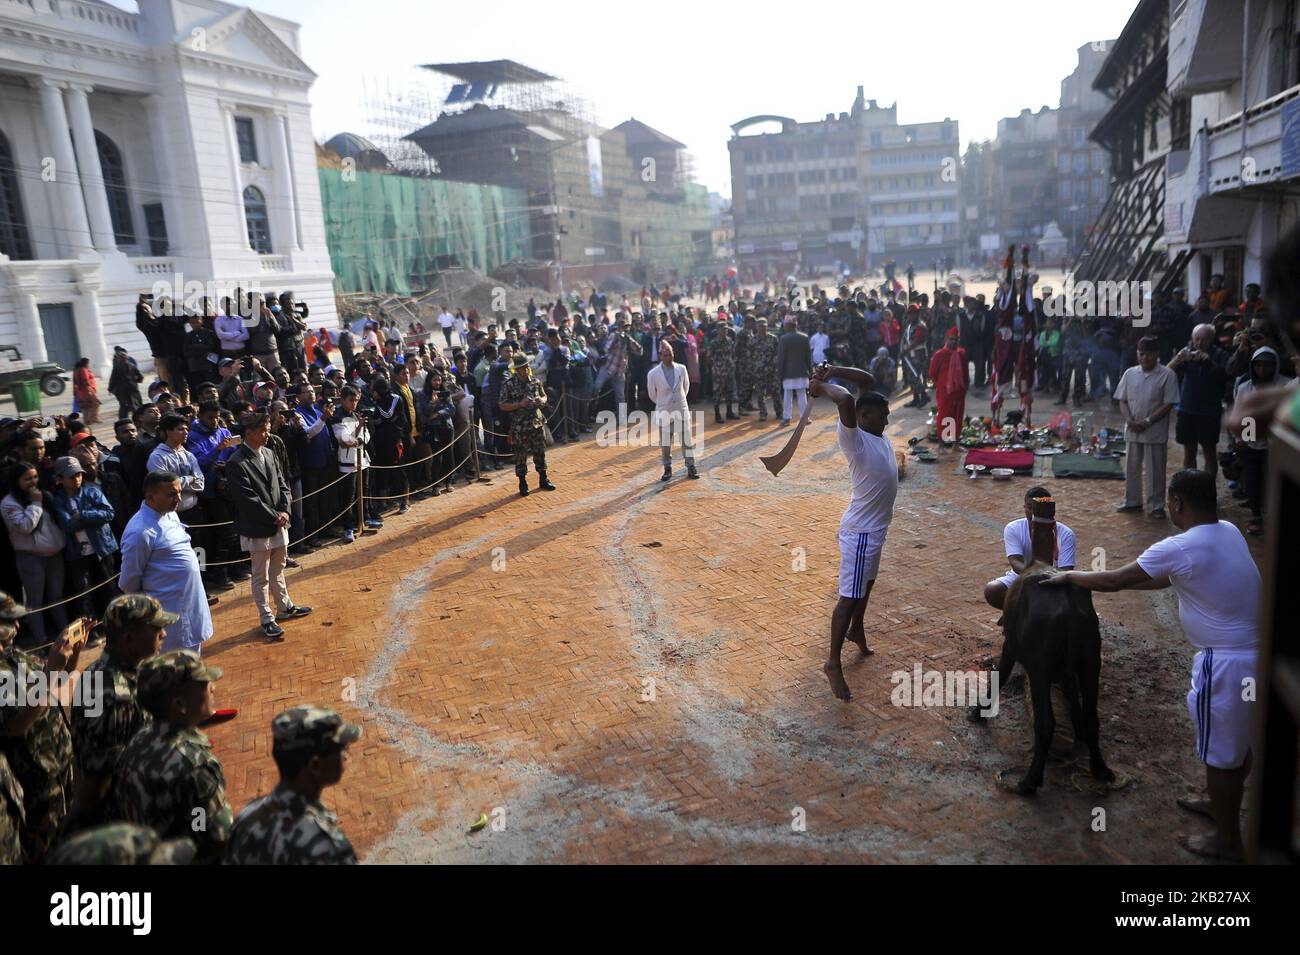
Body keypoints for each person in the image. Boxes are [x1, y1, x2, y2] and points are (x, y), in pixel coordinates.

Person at [1043, 469, 1258, 861]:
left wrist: (1070, 577)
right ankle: (1218, 802)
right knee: (1237, 744)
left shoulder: (1178, 547)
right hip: (1258, 657)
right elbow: (1162, 580)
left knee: (1221, 752)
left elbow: (1115, 580)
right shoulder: (1229, 531)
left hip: (1226, 663)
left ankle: (1227, 839)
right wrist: (1100, 580)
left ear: (1176, 503)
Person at [808, 364, 896, 702]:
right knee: (849, 597)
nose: (887, 422)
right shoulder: (854, 439)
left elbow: (867, 383)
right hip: (860, 533)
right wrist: (821, 387)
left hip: (876, 530)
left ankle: (857, 627)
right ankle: (832, 662)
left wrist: (831, 370)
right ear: (864, 417)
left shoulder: (874, 432)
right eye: (882, 416)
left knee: (867, 584)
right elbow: (845, 399)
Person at [114, 650, 233, 863]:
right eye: (205, 684)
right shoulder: (194, 765)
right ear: (180, 705)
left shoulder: (138, 741)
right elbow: (214, 834)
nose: (212, 688)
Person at [66, 594, 171, 831]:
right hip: (124, 819)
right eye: (156, 629)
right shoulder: (115, 696)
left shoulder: (100, 670)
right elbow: (97, 779)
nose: (164, 634)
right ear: (129, 639)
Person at [0, 595, 86, 861]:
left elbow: (58, 685)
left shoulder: (16, 655)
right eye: (8, 620)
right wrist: (50, 672)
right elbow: (16, 725)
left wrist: (72, 654)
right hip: (35, 781)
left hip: (60, 765)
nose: (16, 626)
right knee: (47, 852)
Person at [225, 706, 360, 864]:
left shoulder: (247, 814)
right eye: (341, 748)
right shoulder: (327, 847)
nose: (345, 754)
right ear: (315, 766)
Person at [224, 411, 311, 640]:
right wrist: (275, 515)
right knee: (260, 575)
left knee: (278, 567)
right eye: (263, 430)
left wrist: (285, 510)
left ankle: (284, 607)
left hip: (278, 522)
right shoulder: (236, 463)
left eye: (267, 428)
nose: (267, 434)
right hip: (257, 527)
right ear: (249, 433)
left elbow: (282, 484)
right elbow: (247, 500)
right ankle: (266, 618)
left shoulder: (269, 453)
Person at [119, 472, 212, 653]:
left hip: (191, 608)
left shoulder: (170, 514)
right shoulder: (139, 532)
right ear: (150, 497)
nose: (179, 498)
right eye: (171, 494)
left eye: (179, 492)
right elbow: (129, 583)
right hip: (169, 621)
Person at [2, 461, 68, 646]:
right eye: (27, 478)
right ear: (17, 481)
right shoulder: (9, 503)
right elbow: (25, 526)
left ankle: (65, 634)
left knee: (57, 597)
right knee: (35, 602)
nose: (33, 482)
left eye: (35, 477)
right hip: (31, 559)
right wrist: (35, 504)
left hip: (54, 556)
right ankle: (42, 641)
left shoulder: (42, 495)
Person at [981, 485, 1076, 613]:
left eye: (1040, 509)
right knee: (993, 590)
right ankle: (1019, 614)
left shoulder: (1066, 533)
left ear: (1050, 510)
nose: (1034, 513)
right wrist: (1035, 579)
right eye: (1030, 508)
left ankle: (1021, 614)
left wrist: (1045, 580)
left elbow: (1065, 570)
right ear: (1024, 508)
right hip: (1023, 576)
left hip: (1054, 579)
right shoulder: (1013, 528)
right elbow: (1015, 562)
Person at [1115, 336, 1181, 518]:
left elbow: (1169, 403)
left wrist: (1148, 421)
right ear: (1137, 353)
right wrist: (1129, 420)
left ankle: (1156, 505)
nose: (1145, 358)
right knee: (1132, 466)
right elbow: (1122, 399)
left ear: (1157, 355)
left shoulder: (1167, 375)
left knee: (1155, 468)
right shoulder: (1130, 373)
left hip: (1154, 429)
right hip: (1133, 427)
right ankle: (1132, 501)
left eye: (1149, 355)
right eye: (1141, 354)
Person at [1230, 346, 1293, 535]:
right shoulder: (1245, 387)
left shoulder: (1286, 385)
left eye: (1266, 366)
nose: (1262, 370)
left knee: (1273, 482)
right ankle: (1256, 516)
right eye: (1258, 366)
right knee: (1252, 479)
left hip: (1276, 444)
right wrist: (1240, 438)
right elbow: (1239, 414)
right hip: (1251, 441)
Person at [50, 456, 118, 620]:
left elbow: (109, 513)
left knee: (109, 587)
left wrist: (82, 515)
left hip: (102, 547)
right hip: (78, 553)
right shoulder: (59, 500)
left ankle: (113, 622)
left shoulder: (92, 491)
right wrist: (91, 519)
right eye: (72, 476)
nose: (77, 479)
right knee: (84, 592)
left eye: (79, 474)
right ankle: (91, 626)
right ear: (59, 479)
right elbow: (67, 525)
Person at [1169, 323, 1229, 479]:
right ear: (1192, 339)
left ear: (1211, 339)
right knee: (1189, 451)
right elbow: (1166, 374)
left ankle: (1209, 491)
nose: (1200, 343)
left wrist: (1209, 363)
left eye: (1204, 339)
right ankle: (1191, 488)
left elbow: (1226, 378)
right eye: (1197, 339)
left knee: (1209, 452)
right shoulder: (1187, 353)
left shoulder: (1220, 354)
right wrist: (1177, 360)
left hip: (1209, 412)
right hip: (1186, 410)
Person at [498, 354, 554, 497]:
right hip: (519, 425)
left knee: (540, 451)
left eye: (526, 366)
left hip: (536, 422)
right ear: (516, 370)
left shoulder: (535, 381)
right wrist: (519, 404)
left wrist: (541, 400)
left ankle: (543, 478)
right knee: (520, 455)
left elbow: (544, 395)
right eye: (521, 368)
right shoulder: (508, 384)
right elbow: (502, 405)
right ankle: (523, 483)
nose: (525, 369)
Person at [648, 339, 699, 482]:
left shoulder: (681, 368)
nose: (668, 357)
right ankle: (667, 468)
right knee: (665, 443)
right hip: (664, 411)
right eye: (665, 355)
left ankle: (690, 466)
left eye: (670, 354)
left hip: (681, 409)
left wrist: (678, 401)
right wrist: (663, 403)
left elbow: (686, 387)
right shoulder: (653, 374)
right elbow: (652, 394)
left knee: (686, 441)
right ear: (660, 356)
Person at [928, 328, 970, 443]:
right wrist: (941, 385)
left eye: (956, 340)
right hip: (945, 393)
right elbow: (932, 373)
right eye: (951, 339)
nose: (954, 342)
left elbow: (965, 373)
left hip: (959, 392)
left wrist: (965, 387)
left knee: (957, 417)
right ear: (946, 339)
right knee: (946, 417)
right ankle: (944, 441)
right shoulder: (939, 355)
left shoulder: (961, 353)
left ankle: (954, 440)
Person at [775, 316, 813, 426]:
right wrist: (810, 371)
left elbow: (781, 358)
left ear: (788, 325)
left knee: (787, 396)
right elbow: (808, 357)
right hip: (802, 371)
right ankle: (805, 418)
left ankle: (786, 418)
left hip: (788, 372)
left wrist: (779, 373)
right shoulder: (804, 337)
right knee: (802, 395)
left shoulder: (784, 339)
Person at [109, 346, 144, 421]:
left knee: (124, 405)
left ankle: (123, 420)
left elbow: (113, 378)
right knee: (135, 403)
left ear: (119, 358)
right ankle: (138, 419)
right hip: (132, 387)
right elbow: (140, 376)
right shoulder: (132, 365)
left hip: (121, 389)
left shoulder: (117, 367)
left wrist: (110, 388)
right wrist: (136, 380)